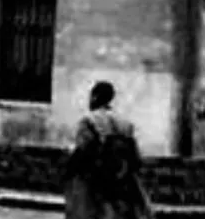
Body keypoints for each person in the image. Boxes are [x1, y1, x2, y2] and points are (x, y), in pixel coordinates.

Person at [64, 81, 150, 219]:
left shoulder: (88, 121)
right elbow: (136, 159)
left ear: (95, 97)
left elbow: (81, 152)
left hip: (94, 185)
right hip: (120, 185)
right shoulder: (125, 123)